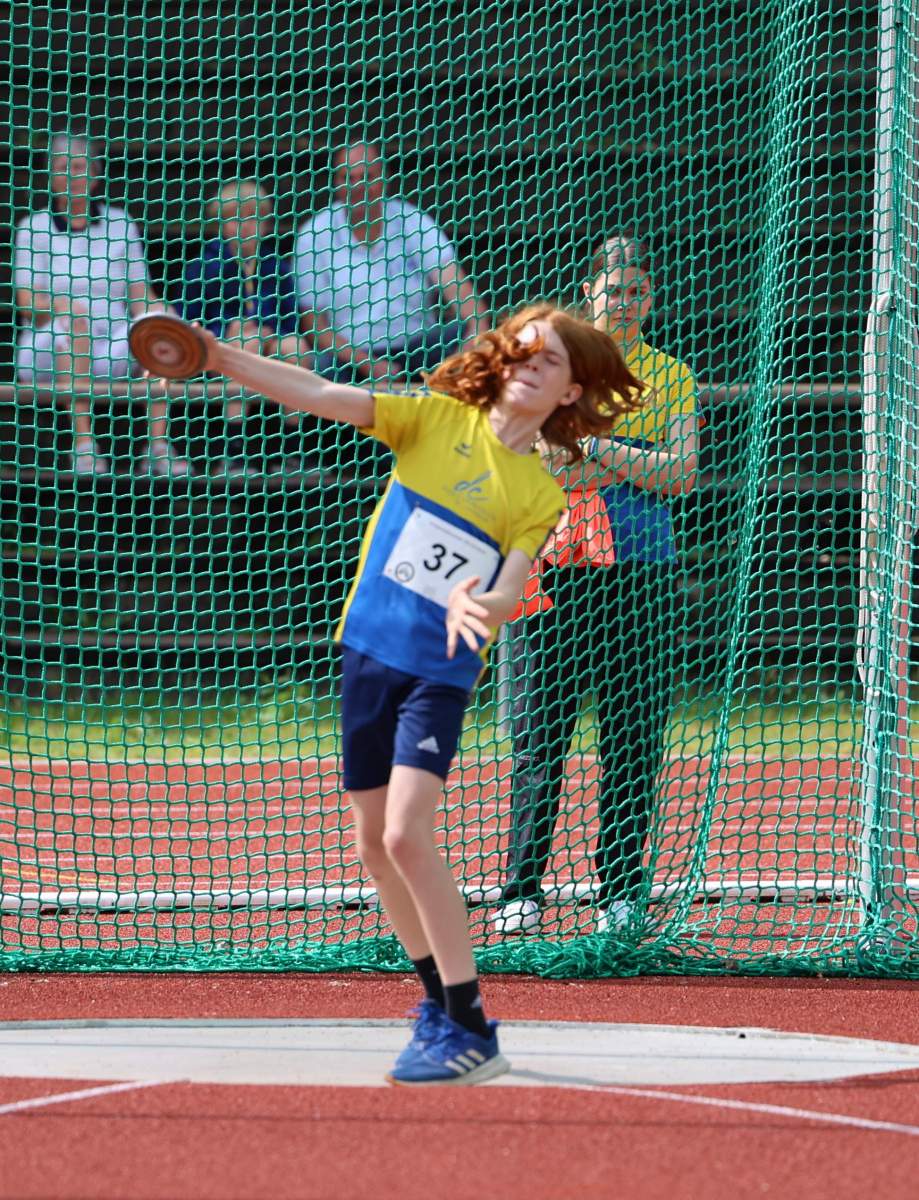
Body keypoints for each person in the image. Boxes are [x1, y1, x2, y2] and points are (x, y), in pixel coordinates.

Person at [191, 301, 641, 1084]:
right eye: (522, 351)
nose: (530, 366)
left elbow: (510, 588)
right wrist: (221, 357)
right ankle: (438, 1005)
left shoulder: (537, 492)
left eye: (550, 361)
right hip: (368, 653)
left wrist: (483, 606)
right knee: (372, 843)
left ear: (569, 392)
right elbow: (318, 392)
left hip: (441, 670)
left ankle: (469, 1022)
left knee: (404, 835)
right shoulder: (432, 420)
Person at [493, 233, 699, 936]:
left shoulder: (671, 375)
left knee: (632, 736)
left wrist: (601, 449)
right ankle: (521, 890)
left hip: (640, 571)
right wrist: (635, 458)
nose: (626, 302)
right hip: (552, 567)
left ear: (652, 299)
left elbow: (682, 474)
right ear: (591, 294)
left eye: (638, 292)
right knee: (539, 733)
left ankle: (619, 890)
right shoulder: (554, 364)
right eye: (615, 291)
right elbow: (540, 458)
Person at [13, 130, 189, 477]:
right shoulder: (33, 227)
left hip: (110, 349)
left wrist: (160, 312)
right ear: (50, 176)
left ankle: (157, 447)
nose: (71, 175)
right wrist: (63, 308)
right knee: (73, 327)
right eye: (62, 167)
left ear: (95, 175)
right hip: (48, 351)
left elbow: (139, 293)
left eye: (79, 167)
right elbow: (27, 301)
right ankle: (84, 447)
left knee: (158, 328)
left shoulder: (121, 224)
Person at [294, 141, 488, 386]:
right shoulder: (314, 235)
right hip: (349, 356)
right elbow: (315, 327)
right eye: (348, 178)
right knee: (320, 368)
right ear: (335, 182)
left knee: (464, 334)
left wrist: (473, 339)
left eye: (367, 177)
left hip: (417, 349)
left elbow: (460, 290)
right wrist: (368, 364)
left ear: (384, 179)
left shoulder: (414, 222)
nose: (357, 186)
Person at [179, 179, 313, 475]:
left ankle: (292, 450)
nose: (244, 227)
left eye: (252, 218)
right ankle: (234, 452)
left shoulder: (275, 266)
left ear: (265, 224)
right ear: (221, 225)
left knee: (296, 347)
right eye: (234, 219)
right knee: (244, 341)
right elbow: (189, 320)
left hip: (269, 342)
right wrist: (224, 329)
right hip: (220, 350)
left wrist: (269, 329)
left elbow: (290, 317)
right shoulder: (205, 266)